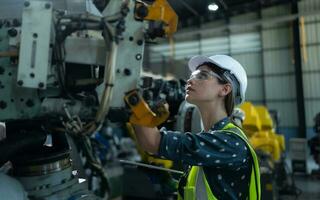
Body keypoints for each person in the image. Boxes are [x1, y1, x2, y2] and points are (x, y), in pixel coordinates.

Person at [131, 55, 260, 200]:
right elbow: (201, 191)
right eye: (192, 75)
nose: (190, 80)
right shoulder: (210, 140)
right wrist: (169, 183)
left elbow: (152, 142)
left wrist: (132, 97)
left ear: (224, 89)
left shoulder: (229, 142)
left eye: (202, 76)